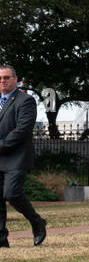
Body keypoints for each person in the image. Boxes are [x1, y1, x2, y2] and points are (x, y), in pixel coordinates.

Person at [0, 65, 47, 249]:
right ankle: (2, 240)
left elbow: (23, 129)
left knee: (12, 194)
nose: (3, 81)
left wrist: (1, 145)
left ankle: (37, 222)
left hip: (16, 156)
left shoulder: (25, 100)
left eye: (7, 77)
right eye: (0, 78)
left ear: (15, 79)